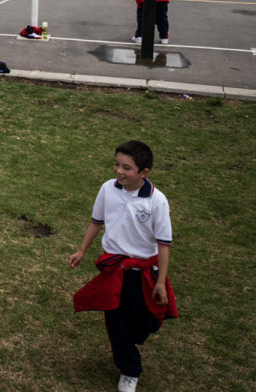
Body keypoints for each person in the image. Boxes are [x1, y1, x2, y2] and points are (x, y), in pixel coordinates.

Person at [69, 141, 176, 392]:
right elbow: (97, 221)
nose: (118, 171)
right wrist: (81, 250)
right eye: (116, 164)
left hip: (145, 273)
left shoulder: (156, 201)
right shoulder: (107, 189)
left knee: (145, 322)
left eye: (126, 168)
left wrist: (160, 282)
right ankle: (129, 370)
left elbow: (163, 243)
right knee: (116, 319)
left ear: (144, 172)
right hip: (115, 269)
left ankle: (130, 341)